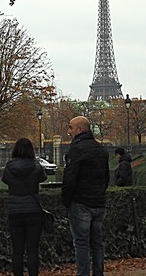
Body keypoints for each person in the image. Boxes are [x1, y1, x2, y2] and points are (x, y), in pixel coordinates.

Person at [62, 116, 110, 276]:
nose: (68, 131)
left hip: (81, 202)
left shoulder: (76, 149)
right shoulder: (101, 149)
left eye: (70, 128)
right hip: (98, 202)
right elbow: (106, 178)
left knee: (81, 243)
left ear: (79, 130)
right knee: (97, 243)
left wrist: (66, 201)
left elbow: (70, 178)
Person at [2, 138, 48, 276]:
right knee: (33, 250)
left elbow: (5, 179)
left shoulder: (9, 167)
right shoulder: (36, 167)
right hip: (33, 209)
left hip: (15, 210)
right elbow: (43, 178)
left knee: (17, 250)